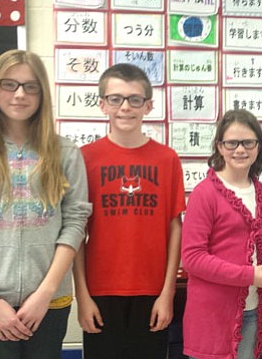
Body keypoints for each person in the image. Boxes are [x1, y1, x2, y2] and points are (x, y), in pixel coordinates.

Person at [0, 49, 92, 359]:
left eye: (30, 86)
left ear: (41, 93)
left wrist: (45, 294)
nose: (20, 94)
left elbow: (75, 223)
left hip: (49, 301)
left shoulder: (66, 153)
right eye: (10, 84)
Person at [73, 63, 186, 359]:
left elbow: (175, 228)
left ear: (148, 106)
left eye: (135, 99)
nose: (125, 107)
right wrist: (82, 296)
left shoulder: (167, 159)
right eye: (116, 98)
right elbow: (75, 234)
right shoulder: (85, 159)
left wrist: (168, 292)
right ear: (102, 104)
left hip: (152, 292)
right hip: (101, 290)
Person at [181, 109, 262, 359]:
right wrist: (250, 275)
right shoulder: (205, 193)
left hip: (252, 309)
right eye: (232, 143)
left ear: (258, 146)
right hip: (212, 314)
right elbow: (192, 259)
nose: (240, 150)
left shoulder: (259, 190)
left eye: (248, 142)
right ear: (219, 146)